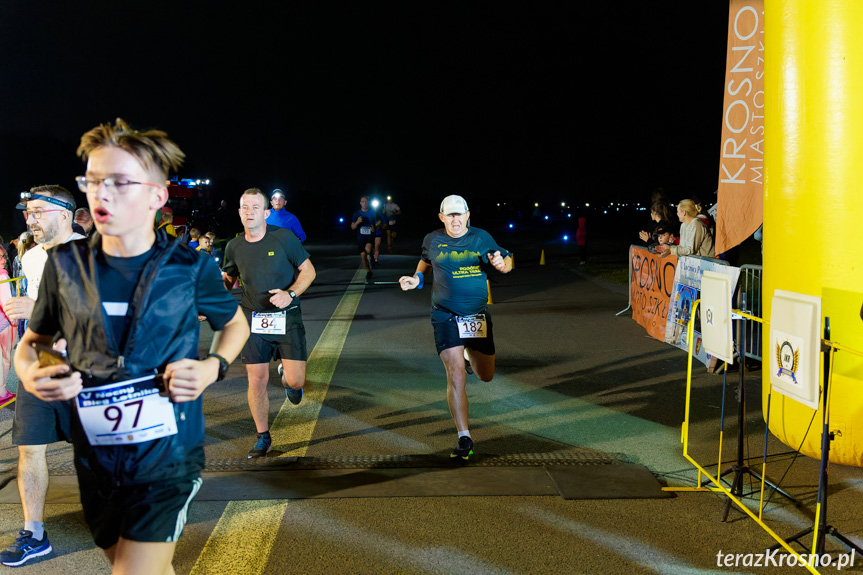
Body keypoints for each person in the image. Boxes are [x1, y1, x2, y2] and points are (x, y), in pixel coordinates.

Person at [10, 118, 249, 574]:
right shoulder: (65, 264)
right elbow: (34, 343)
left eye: (119, 182)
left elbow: (234, 323)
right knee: (130, 561)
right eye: (94, 181)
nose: (102, 193)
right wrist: (34, 370)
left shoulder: (188, 264)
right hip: (95, 451)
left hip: (166, 452)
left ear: (157, 196)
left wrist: (212, 366)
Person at [0, 185, 86, 568]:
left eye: (38, 211)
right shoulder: (32, 258)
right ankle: (34, 533)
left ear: (65, 214)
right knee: (29, 446)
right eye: (27, 212)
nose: (30, 219)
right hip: (43, 360)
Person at [399, 195, 512, 461]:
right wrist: (416, 279)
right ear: (441, 217)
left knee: (486, 375)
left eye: (459, 215)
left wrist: (502, 265)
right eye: (449, 215)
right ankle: (464, 436)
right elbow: (425, 262)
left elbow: (506, 260)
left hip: (476, 316)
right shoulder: (432, 239)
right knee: (455, 375)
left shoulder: (481, 238)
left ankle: (467, 352)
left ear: (468, 215)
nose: (455, 220)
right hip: (445, 314)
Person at [222, 188, 316, 458]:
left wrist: (291, 294)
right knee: (256, 380)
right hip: (254, 318)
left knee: (297, 381)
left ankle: (288, 379)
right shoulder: (234, 246)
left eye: (255, 207)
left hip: (287, 316)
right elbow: (228, 279)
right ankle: (263, 437)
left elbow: (308, 271)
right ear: (239, 212)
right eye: (244, 207)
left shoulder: (284, 238)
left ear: (266, 213)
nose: (249, 212)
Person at [0, 244, 16, 407]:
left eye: (4, 256)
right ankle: (2, 392)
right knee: (6, 358)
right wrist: (14, 320)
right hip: (5, 323)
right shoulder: (3, 275)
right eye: (0, 257)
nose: (4, 260)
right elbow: (6, 302)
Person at [350, 196, 376, 280]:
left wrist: (374, 228)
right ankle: (368, 271)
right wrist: (357, 222)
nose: (364, 203)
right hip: (360, 238)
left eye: (366, 202)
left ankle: (372, 257)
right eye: (363, 202)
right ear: (360, 203)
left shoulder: (372, 213)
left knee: (368, 249)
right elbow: (352, 227)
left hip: (369, 236)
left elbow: (378, 223)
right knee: (363, 255)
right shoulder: (356, 214)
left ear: (368, 203)